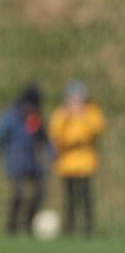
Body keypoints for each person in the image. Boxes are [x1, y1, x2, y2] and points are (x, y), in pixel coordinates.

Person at [0, 84, 53, 235]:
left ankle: (29, 224)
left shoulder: (35, 117)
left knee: (39, 192)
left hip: (32, 163)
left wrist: (51, 152)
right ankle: (12, 226)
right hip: (15, 162)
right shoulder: (11, 117)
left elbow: (44, 137)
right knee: (18, 194)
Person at [48, 81, 105, 235]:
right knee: (70, 198)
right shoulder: (61, 113)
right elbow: (54, 133)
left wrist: (83, 116)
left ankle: (88, 228)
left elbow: (98, 129)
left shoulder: (91, 111)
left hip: (86, 161)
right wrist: (66, 117)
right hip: (67, 162)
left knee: (86, 197)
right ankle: (70, 228)